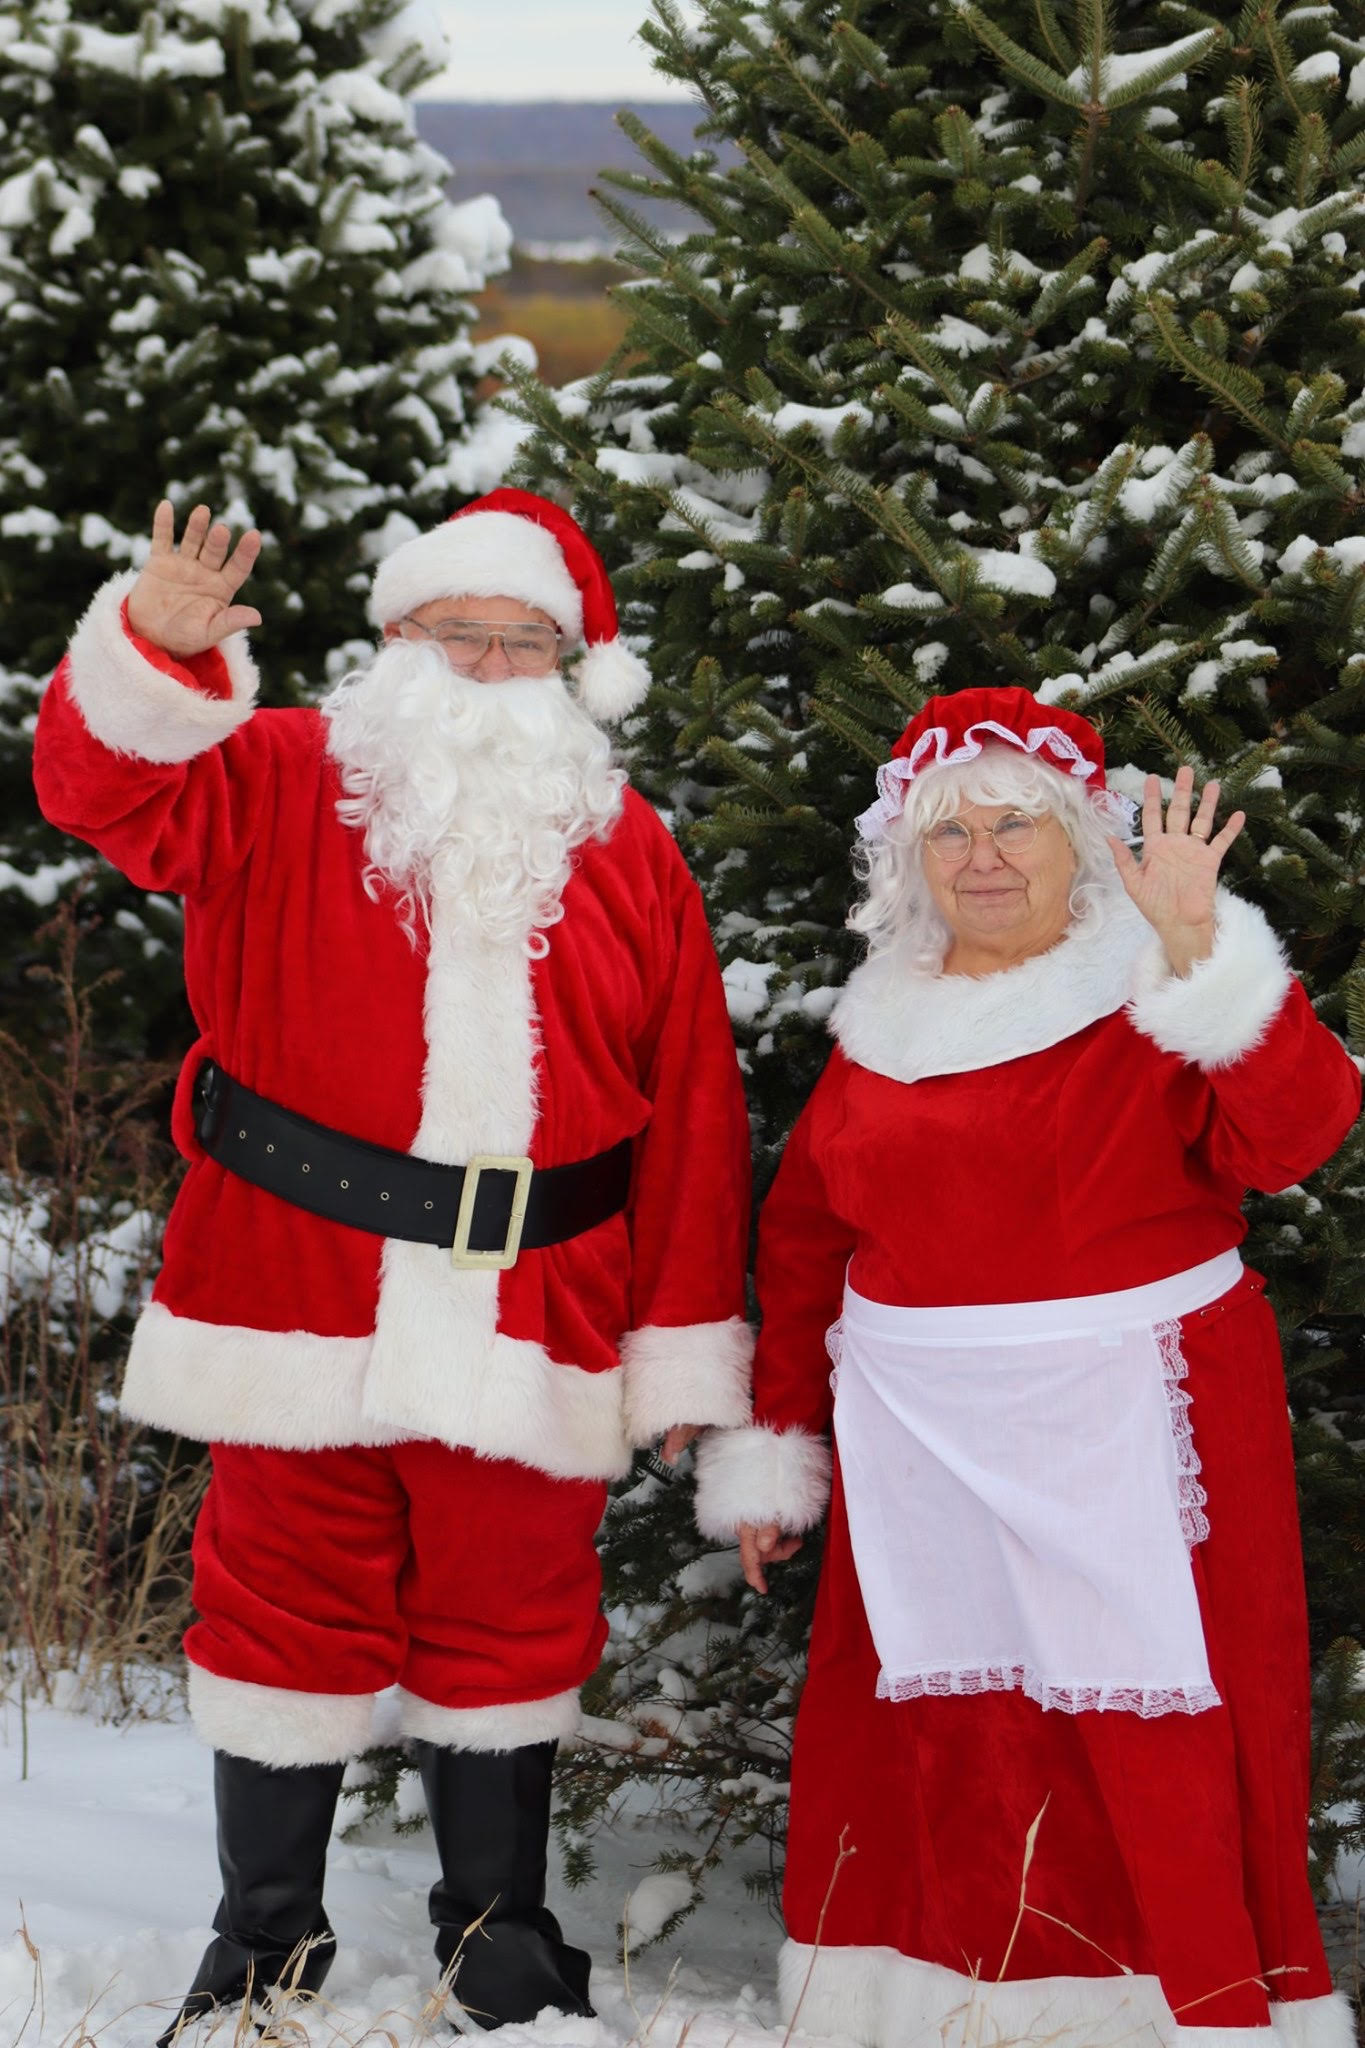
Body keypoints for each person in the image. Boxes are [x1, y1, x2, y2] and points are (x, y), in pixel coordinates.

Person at [33, 489, 753, 2035]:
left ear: (571, 672)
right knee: (278, 1602)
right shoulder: (279, 776)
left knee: (514, 1611)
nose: (490, 670)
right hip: (299, 1286)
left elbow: (692, 1105)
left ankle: (498, 1937)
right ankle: (263, 1933)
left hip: (538, 1306)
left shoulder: (630, 851)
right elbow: (98, 793)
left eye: (523, 644)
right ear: (394, 642)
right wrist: (153, 650)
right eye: (458, 636)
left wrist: (681, 1342)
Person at [694, 686, 1360, 2048]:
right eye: (949, 834)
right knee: (944, 1733)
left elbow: (1294, 1136)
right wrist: (776, 1445)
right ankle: (955, 2009)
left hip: (1135, 1414)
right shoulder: (879, 1023)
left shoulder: (1149, 994)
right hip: (916, 1441)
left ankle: (1192, 2014)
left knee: (1151, 1729)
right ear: (907, 858)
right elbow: (807, 1242)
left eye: (1012, 827)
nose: (981, 856)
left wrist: (1200, 948)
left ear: (1076, 841)